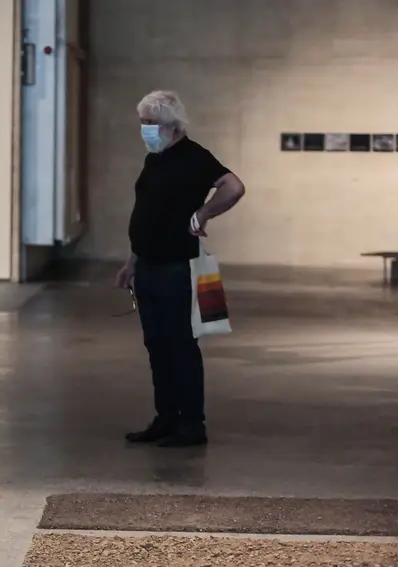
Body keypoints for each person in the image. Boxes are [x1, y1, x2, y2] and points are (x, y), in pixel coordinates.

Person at [116, 90, 246, 448]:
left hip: (178, 266)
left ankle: (191, 424)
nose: (144, 129)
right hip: (149, 265)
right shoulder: (154, 159)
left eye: (150, 123)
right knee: (156, 344)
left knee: (180, 346)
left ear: (171, 125)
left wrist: (204, 213)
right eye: (142, 122)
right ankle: (165, 418)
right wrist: (132, 261)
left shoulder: (193, 156)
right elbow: (148, 213)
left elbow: (234, 186)